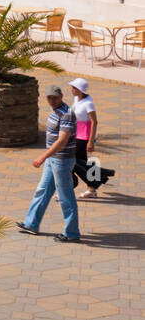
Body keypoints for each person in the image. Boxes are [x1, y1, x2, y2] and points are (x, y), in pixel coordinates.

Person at [17, 86, 81, 242]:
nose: (52, 100)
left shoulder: (66, 114)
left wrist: (42, 157)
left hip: (62, 161)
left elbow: (62, 140)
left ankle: (72, 233)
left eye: (55, 97)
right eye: (49, 98)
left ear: (61, 97)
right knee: (43, 190)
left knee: (66, 197)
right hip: (54, 159)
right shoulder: (56, 111)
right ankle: (31, 224)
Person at [68, 77, 115, 198]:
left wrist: (90, 141)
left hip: (83, 138)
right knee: (81, 163)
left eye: (74, 87)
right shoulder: (76, 99)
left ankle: (69, 188)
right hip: (76, 135)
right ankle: (93, 186)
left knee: (71, 162)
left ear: (80, 90)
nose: (71, 89)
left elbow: (94, 122)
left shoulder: (89, 104)